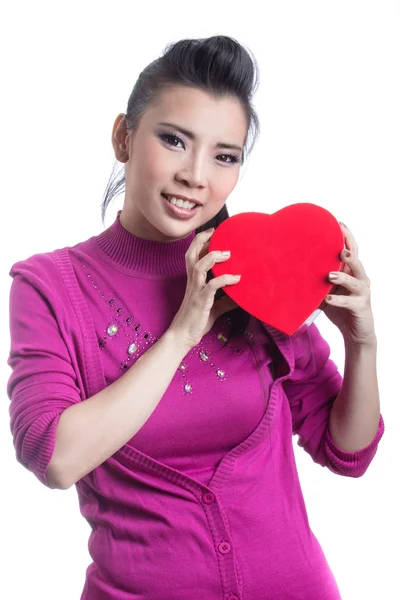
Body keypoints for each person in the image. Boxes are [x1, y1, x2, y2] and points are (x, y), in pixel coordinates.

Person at [7, 35, 384, 600]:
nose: (196, 176)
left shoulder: (252, 271)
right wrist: (183, 332)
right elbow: (56, 457)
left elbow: (347, 453)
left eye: (225, 156)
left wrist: (364, 343)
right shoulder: (51, 286)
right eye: (174, 140)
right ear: (123, 137)